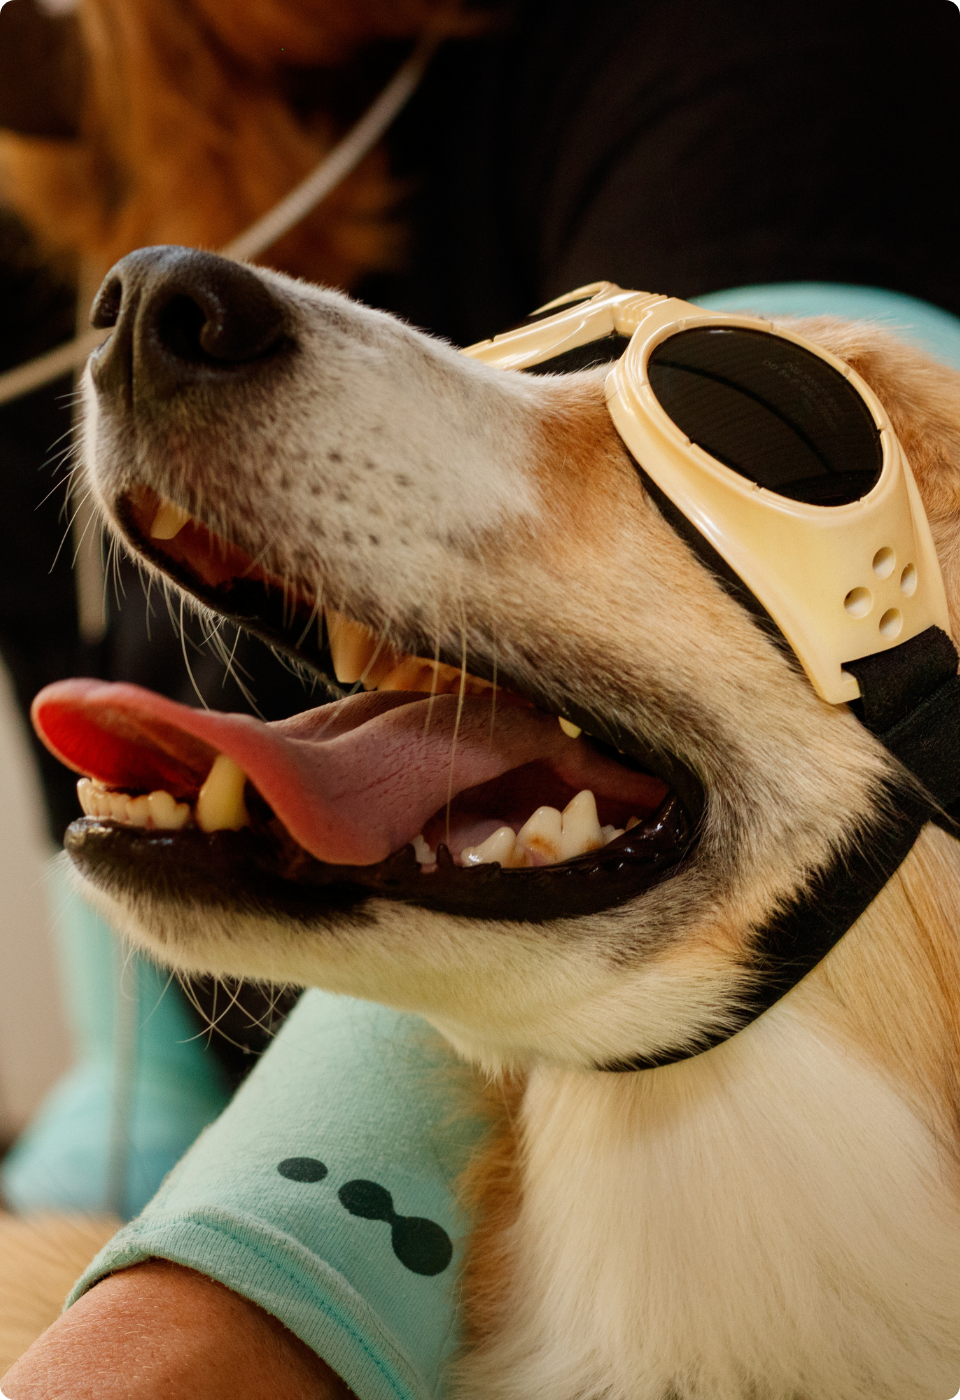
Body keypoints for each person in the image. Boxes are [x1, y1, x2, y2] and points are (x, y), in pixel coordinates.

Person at [2, 1, 960, 1396]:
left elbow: (848, 614)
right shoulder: (40, 245)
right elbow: (142, 1077)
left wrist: (252, 1271)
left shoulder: (774, 52)